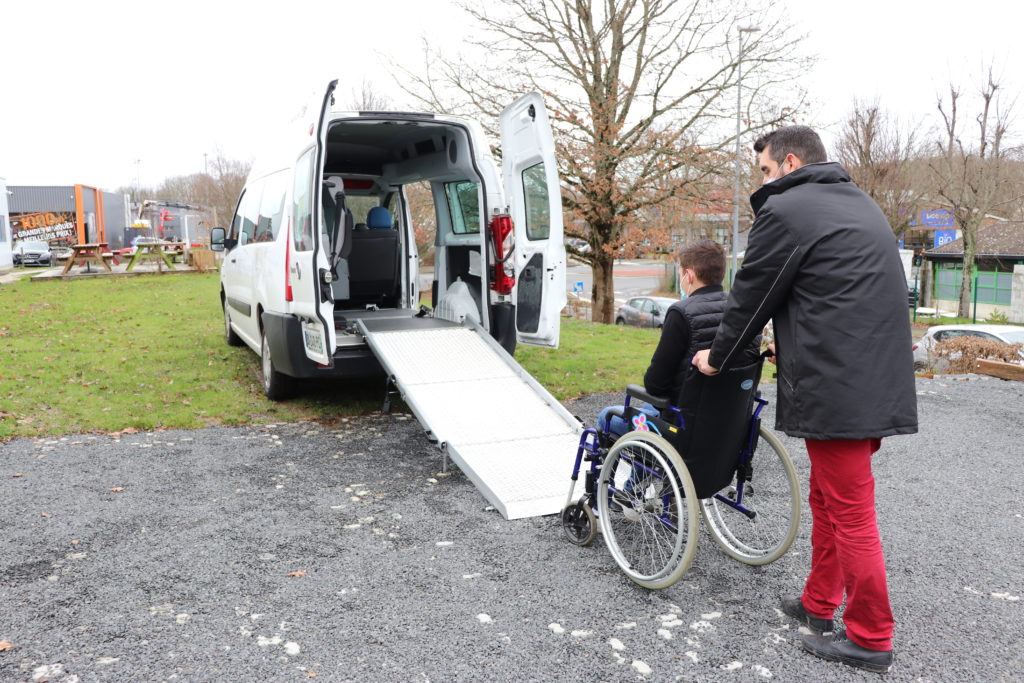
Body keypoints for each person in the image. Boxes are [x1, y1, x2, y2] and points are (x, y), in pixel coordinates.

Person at [692, 125, 917, 674]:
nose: (764, 181)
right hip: (872, 380)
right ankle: (819, 604)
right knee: (828, 498)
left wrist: (716, 359)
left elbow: (751, 299)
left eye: (766, 170)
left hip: (838, 386)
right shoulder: (859, 202)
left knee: (851, 511)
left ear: (790, 163)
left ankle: (870, 637)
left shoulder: (789, 210)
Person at [596, 240, 758, 438]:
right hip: (727, 422)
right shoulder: (743, 311)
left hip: (682, 427)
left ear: (688, 275)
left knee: (607, 416)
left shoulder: (682, 313)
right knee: (649, 404)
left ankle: (640, 468)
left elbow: (655, 384)